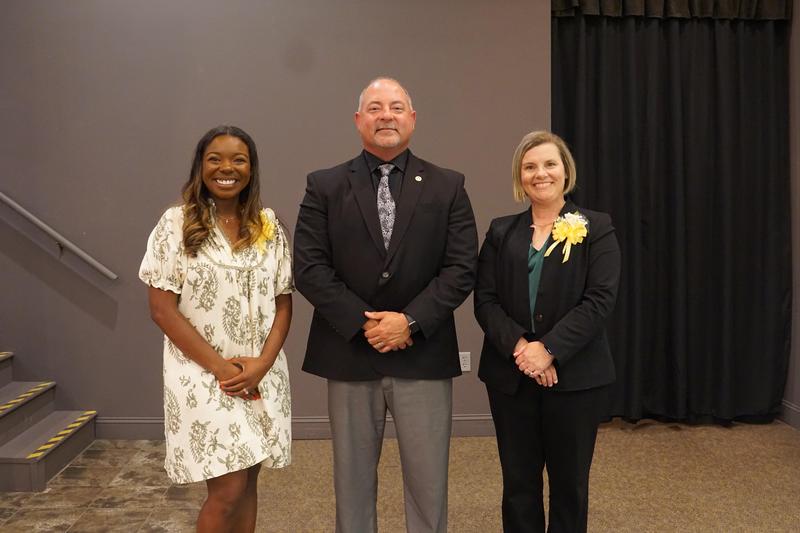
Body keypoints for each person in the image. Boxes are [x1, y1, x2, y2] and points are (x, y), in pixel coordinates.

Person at [293, 77, 477, 533]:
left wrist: (409, 322)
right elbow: (309, 267)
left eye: (396, 107)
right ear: (359, 120)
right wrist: (367, 325)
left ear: (412, 118)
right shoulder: (325, 185)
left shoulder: (448, 186)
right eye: (375, 108)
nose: (386, 116)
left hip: (424, 356)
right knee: (352, 484)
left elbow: (461, 268)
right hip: (350, 353)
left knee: (428, 484)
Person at [139, 125, 293, 533]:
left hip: (261, 374)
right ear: (200, 167)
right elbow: (162, 310)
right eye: (215, 159)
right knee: (227, 488)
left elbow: (283, 302)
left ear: (251, 168)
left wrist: (261, 364)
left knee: (249, 482)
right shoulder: (176, 223)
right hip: (203, 375)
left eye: (238, 159)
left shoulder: (268, 225)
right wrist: (223, 370)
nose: (227, 168)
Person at [474, 130, 621, 533]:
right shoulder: (501, 231)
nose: (541, 173)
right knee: (518, 485)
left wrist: (550, 349)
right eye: (530, 166)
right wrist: (524, 349)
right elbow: (485, 300)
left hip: (576, 379)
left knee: (570, 486)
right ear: (520, 177)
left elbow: (599, 300)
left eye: (549, 164)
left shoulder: (596, 228)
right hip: (511, 378)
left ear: (565, 171)